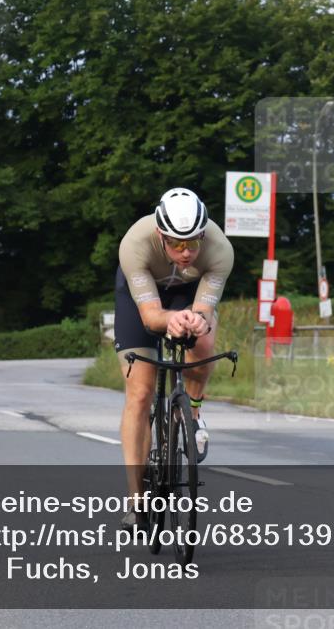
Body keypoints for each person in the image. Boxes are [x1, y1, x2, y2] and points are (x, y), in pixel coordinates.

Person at [115, 188, 234, 530]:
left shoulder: (220, 250)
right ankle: (137, 501)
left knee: (203, 338)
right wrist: (170, 320)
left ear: (203, 235)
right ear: (160, 235)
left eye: (192, 243)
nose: (186, 252)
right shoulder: (135, 243)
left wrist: (196, 319)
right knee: (140, 393)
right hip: (142, 298)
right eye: (177, 244)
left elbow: (204, 309)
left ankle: (191, 414)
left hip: (188, 294)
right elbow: (151, 317)